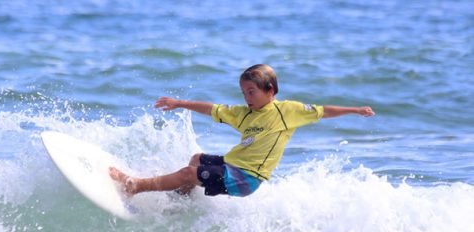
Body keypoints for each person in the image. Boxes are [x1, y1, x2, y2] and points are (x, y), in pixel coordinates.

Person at [109, 64, 375, 197]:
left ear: (270, 91)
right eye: (244, 92)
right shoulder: (243, 113)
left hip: (247, 178)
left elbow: (323, 111)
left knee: (189, 172)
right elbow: (212, 109)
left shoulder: (288, 112)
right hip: (232, 164)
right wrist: (180, 103)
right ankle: (180, 202)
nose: (247, 97)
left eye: (252, 92)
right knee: (197, 160)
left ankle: (136, 185)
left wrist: (354, 110)